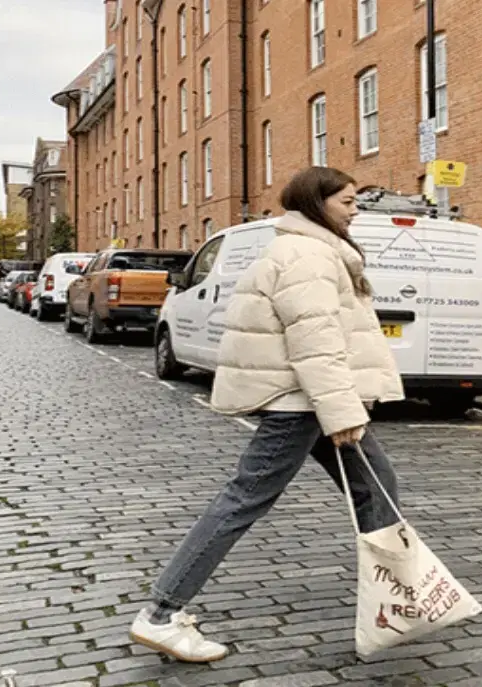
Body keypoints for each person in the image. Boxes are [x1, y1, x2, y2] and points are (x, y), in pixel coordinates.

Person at [129, 167, 405, 662]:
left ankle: (398, 597)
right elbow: (315, 341)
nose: (355, 209)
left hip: (314, 402)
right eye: (346, 201)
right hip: (302, 403)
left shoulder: (311, 249)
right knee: (244, 500)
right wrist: (341, 412)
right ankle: (161, 614)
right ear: (318, 203)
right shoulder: (307, 256)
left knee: (376, 486)